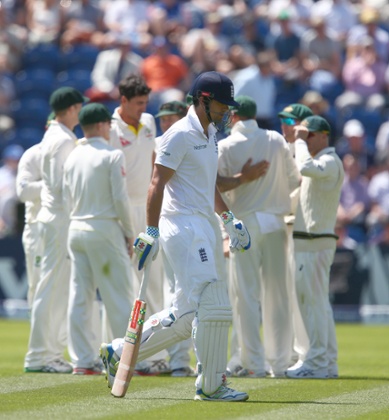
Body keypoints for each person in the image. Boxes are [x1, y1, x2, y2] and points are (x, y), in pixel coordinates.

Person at [101, 71, 251, 402]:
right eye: (223, 105)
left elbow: (206, 183)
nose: (227, 112)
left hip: (204, 223)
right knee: (212, 303)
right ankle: (211, 385)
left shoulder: (210, 134)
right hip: (181, 225)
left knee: (184, 316)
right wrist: (151, 230)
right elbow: (157, 183)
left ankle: (117, 352)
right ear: (204, 100)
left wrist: (228, 218)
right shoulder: (178, 134)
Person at [218, 95, 300, 378]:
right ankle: (280, 362)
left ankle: (253, 363)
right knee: (277, 295)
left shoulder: (226, 145)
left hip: (246, 224)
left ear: (236, 116)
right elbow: (293, 179)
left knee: (245, 295)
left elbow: (215, 187)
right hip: (275, 223)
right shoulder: (276, 140)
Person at [63, 103, 135, 375]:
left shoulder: (72, 156)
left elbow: (65, 196)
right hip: (103, 230)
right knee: (118, 296)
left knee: (80, 296)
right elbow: (120, 198)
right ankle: (122, 359)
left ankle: (82, 360)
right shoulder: (112, 155)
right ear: (104, 125)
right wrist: (129, 232)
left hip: (76, 228)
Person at [24, 87, 89, 373]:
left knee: (52, 288)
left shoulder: (57, 136)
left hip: (53, 217)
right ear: (73, 108)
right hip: (60, 217)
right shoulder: (63, 139)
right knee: (50, 289)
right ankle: (40, 356)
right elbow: (65, 186)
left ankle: (47, 354)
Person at [109, 74, 169, 373]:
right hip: (120, 211)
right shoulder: (109, 128)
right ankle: (124, 353)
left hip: (146, 211)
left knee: (153, 283)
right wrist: (121, 226)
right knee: (127, 288)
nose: (143, 108)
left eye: (146, 102)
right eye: (138, 103)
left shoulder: (148, 121)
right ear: (123, 101)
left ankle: (154, 354)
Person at [286, 115, 344, 379]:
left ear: (323, 135)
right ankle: (327, 362)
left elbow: (306, 167)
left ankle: (318, 362)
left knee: (313, 304)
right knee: (317, 303)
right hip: (312, 242)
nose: (304, 139)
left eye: (308, 135)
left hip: (315, 244)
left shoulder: (329, 161)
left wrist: (297, 141)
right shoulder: (324, 161)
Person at [15, 143, 43, 307]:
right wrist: (52, 183)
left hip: (68, 228)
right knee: (37, 285)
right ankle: (40, 332)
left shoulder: (74, 148)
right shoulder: (33, 154)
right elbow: (23, 192)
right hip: (37, 226)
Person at [0, 144, 24, 237]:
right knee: (7, 198)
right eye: (13, 159)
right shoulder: (2, 173)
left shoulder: (25, 172)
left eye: (18, 160)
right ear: (7, 159)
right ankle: (6, 229)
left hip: (22, 198)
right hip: (4, 202)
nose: (16, 162)